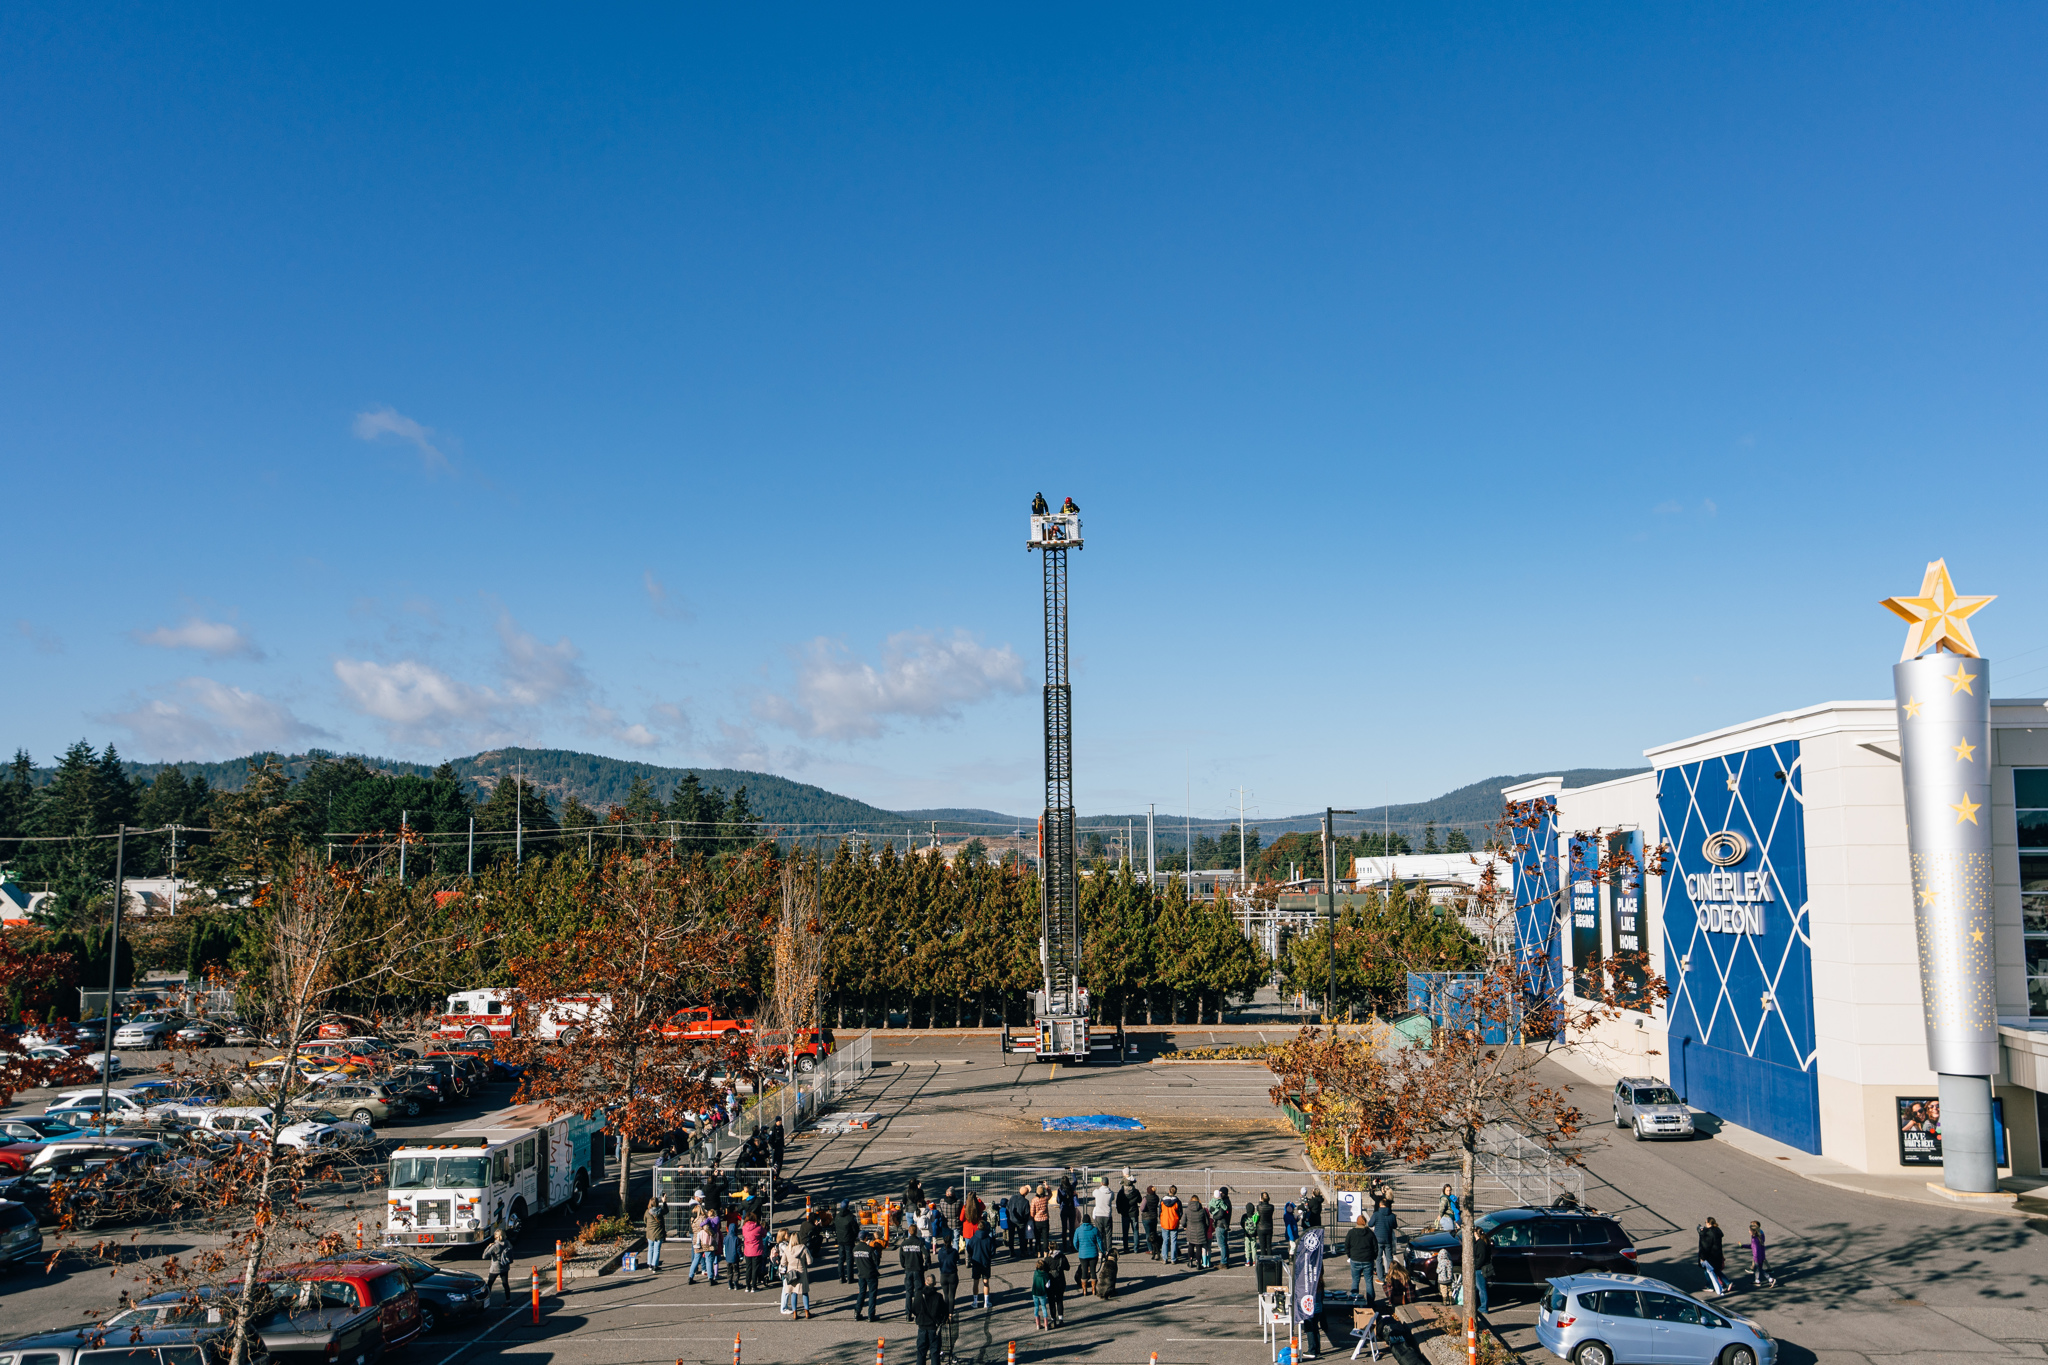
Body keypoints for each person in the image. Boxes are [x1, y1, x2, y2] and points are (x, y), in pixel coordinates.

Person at [913, 1273, 949, 1365]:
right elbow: (944, 1311)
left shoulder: (919, 1295)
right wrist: (941, 1320)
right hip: (934, 1327)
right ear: (935, 1283)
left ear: (925, 1282)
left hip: (922, 1326)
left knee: (921, 1352)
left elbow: (914, 1309)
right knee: (935, 1351)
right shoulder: (938, 1296)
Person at [1344, 1212, 1379, 1299]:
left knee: (1355, 1281)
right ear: (1365, 1222)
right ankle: (1371, 1301)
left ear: (1357, 1222)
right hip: (1368, 1260)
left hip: (1355, 1259)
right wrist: (1373, 1257)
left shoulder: (1351, 1232)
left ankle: (1354, 1300)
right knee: (1369, 1281)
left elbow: (1346, 1246)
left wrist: (1350, 1256)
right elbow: (1375, 1247)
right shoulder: (1370, 1233)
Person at [852, 1232, 882, 1321]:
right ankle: (871, 1315)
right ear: (866, 1238)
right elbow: (876, 1262)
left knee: (862, 1293)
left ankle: (857, 1312)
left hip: (861, 1274)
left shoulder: (855, 1249)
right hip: (871, 1274)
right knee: (872, 1294)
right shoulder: (869, 1249)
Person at [483, 1227, 516, 1305]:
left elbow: (484, 1256)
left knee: (489, 1284)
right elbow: (511, 1248)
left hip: (495, 1268)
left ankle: (486, 1301)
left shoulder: (495, 1246)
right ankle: (508, 1301)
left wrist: (488, 1246)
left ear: (496, 1236)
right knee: (505, 1284)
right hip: (505, 1266)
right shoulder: (507, 1242)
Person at [899, 1228, 927, 1321]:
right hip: (918, 1269)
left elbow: (901, 1257)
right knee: (918, 1292)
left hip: (908, 1269)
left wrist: (904, 1265)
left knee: (908, 1292)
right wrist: (926, 1265)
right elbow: (927, 1254)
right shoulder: (919, 1243)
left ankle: (908, 1313)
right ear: (916, 1232)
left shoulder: (904, 1244)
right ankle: (918, 1313)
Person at [1370, 1196, 1398, 1286]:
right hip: (1388, 1239)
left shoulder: (1376, 1214)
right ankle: (1391, 1276)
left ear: (1380, 1205)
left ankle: (1381, 1277)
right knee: (1389, 1258)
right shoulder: (1392, 1215)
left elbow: (1370, 1224)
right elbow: (1395, 1226)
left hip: (1378, 1239)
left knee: (1378, 1259)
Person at [967, 1218, 994, 1307]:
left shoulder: (973, 1238)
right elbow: (992, 1251)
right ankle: (986, 1302)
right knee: (986, 1282)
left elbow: (969, 1249)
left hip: (976, 1262)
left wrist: (972, 1256)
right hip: (985, 1262)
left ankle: (975, 1301)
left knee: (976, 1281)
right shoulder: (989, 1239)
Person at [1698, 1218, 1729, 1296]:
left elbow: (1706, 1246)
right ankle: (1719, 1286)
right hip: (1717, 1256)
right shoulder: (1717, 1231)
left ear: (1709, 1223)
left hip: (1710, 1257)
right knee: (1714, 1271)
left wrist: (1702, 1257)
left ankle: (1716, 1288)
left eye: (1706, 1222)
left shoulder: (1709, 1234)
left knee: (1710, 1272)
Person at [833, 1201, 861, 1282]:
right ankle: (850, 1278)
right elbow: (855, 1229)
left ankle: (841, 1277)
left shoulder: (837, 1216)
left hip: (840, 1240)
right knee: (849, 1259)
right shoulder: (850, 1217)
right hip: (849, 1240)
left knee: (841, 1258)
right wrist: (855, 1236)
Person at [1465, 1229, 1492, 1315]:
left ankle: (1484, 1307)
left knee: (1481, 1289)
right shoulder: (1482, 1242)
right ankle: (1480, 1305)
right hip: (1479, 1268)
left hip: (1479, 1269)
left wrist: (1475, 1266)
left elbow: (1481, 1258)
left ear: (1476, 1233)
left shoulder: (1480, 1244)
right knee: (1479, 1288)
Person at [934, 1225, 960, 1308]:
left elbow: (939, 1260)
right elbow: (957, 1259)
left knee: (946, 1295)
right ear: (951, 1242)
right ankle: (950, 1312)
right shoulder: (954, 1252)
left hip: (943, 1274)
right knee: (952, 1295)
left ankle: (945, 1311)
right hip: (952, 1274)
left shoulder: (941, 1252)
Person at [1045, 1243, 1070, 1326]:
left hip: (1051, 1282)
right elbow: (1067, 1268)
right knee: (1059, 1300)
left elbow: (1044, 1270)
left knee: (1051, 1301)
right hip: (1060, 1281)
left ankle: (1053, 1319)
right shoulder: (1062, 1257)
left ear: (1049, 1248)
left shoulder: (1047, 1259)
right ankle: (1061, 1319)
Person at [742, 1212, 767, 1292]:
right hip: (756, 1250)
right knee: (755, 1269)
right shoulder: (758, 1227)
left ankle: (747, 1286)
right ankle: (754, 1286)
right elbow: (764, 1234)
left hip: (747, 1250)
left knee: (748, 1268)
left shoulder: (744, 1227)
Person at [1075, 1211, 1101, 1289]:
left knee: (1084, 1271)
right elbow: (1099, 1242)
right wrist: (1102, 1250)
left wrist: (1079, 1249)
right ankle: (1093, 1289)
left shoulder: (1078, 1230)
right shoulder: (1095, 1229)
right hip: (1093, 1253)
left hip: (1082, 1254)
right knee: (1093, 1271)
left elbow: (1075, 1242)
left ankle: (1084, 1290)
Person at [688, 1214, 717, 1284]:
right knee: (709, 1259)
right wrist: (713, 1234)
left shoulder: (693, 1219)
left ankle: (690, 1277)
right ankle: (710, 1278)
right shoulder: (703, 1218)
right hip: (705, 1240)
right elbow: (706, 1227)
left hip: (697, 1240)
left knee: (696, 1259)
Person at [1159, 1186, 1183, 1265]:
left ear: (1169, 1191)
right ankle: (1173, 1258)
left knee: (1165, 1240)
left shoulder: (1162, 1200)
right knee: (1173, 1241)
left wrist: (1161, 1218)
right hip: (1174, 1222)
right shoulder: (1177, 1202)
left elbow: (1160, 1211)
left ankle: (1164, 1258)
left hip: (1165, 1222)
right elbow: (1180, 1213)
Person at [1748, 1220, 1775, 1289]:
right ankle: (1757, 1280)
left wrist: (1756, 1257)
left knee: (1759, 1269)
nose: (1749, 1231)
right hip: (1760, 1256)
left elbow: (1755, 1248)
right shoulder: (1757, 1236)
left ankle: (1770, 1279)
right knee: (1757, 1269)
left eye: (1750, 1230)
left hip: (1758, 1257)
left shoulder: (1756, 1238)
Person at [1211, 1187, 1234, 1268]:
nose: (1220, 1194)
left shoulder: (1224, 1202)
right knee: (1224, 1243)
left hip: (1220, 1225)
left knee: (1221, 1244)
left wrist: (1214, 1216)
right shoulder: (1227, 1201)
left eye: (1221, 1193)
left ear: (1224, 1193)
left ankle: (1223, 1262)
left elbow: (1220, 1214)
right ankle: (1225, 1260)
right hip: (1224, 1225)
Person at [1008, 1185, 1032, 1258]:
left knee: (1011, 1236)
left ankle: (1011, 1251)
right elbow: (1027, 1213)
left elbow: (1007, 1207)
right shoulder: (1025, 1202)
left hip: (1011, 1220)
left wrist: (1009, 1216)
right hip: (1021, 1222)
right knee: (1022, 1237)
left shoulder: (1012, 1197)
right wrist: (1024, 1221)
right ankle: (1022, 1252)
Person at [644, 1196, 667, 1271]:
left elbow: (645, 1221)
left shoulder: (647, 1212)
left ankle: (649, 1264)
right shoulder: (660, 1211)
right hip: (658, 1233)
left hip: (650, 1233)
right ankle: (655, 1265)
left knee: (650, 1248)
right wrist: (664, 1202)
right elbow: (666, 1210)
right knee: (656, 1250)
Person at [1116, 1178, 1139, 1254]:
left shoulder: (1121, 1192)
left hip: (1125, 1213)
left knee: (1125, 1232)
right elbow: (1139, 1200)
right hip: (1134, 1213)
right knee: (1135, 1231)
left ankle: (1126, 1248)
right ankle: (1136, 1248)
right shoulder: (1135, 1191)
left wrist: (1119, 1210)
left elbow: (1118, 1202)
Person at [1090, 1177, 1114, 1245]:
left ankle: (1100, 1249)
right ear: (1108, 1183)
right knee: (1108, 1234)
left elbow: (1093, 1194)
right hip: (1107, 1214)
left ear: (1101, 1183)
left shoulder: (1097, 1191)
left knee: (1099, 1234)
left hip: (1099, 1214)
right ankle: (1109, 1249)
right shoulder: (1111, 1193)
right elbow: (1112, 1198)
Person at [1031, 1257, 1052, 1331]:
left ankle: (1038, 1324)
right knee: (1043, 1307)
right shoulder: (1045, 1274)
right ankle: (1046, 1325)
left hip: (1035, 1292)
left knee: (1036, 1307)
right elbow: (1048, 1285)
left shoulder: (1035, 1272)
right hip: (1042, 1293)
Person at [1030, 1185, 1051, 1257]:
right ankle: (1046, 1251)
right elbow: (1050, 1194)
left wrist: (1032, 1218)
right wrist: (1047, 1187)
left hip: (1037, 1220)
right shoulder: (1045, 1198)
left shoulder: (1034, 1200)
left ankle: (1038, 1251)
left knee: (1037, 1237)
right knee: (1045, 1238)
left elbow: (1032, 1211)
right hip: (1045, 1220)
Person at [723, 1215, 744, 1289]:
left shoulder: (726, 1238)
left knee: (729, 1271)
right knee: (736, 1271)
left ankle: (730, 1283)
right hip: (735, 1257)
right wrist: (741, 1256)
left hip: (728, 1257)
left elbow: (724, 1248)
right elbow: (738, 1249)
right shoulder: (736, 1238)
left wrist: (725, 1255)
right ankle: (736, 1283)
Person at [1141, 1185, 1161, 1260]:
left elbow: (1142, 1208)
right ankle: (1156, 1247)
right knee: (1154, 1233)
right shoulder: (1156, 1197)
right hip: (1154, 1217)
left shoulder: (1145, 1198)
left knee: (1148, 1234)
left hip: (1146, 1217)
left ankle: (1150, 1249)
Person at [1255, 1192, 1276, 1258]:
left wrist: (1260, 1201)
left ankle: (1263, 1259)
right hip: (1269, 1227)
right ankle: (1269, 1258)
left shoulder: (1259, 1207)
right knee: (1269, 1245)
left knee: (1262, 1246)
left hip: (1260, 1228)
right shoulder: (1271, 1207)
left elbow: (1259, 1208)